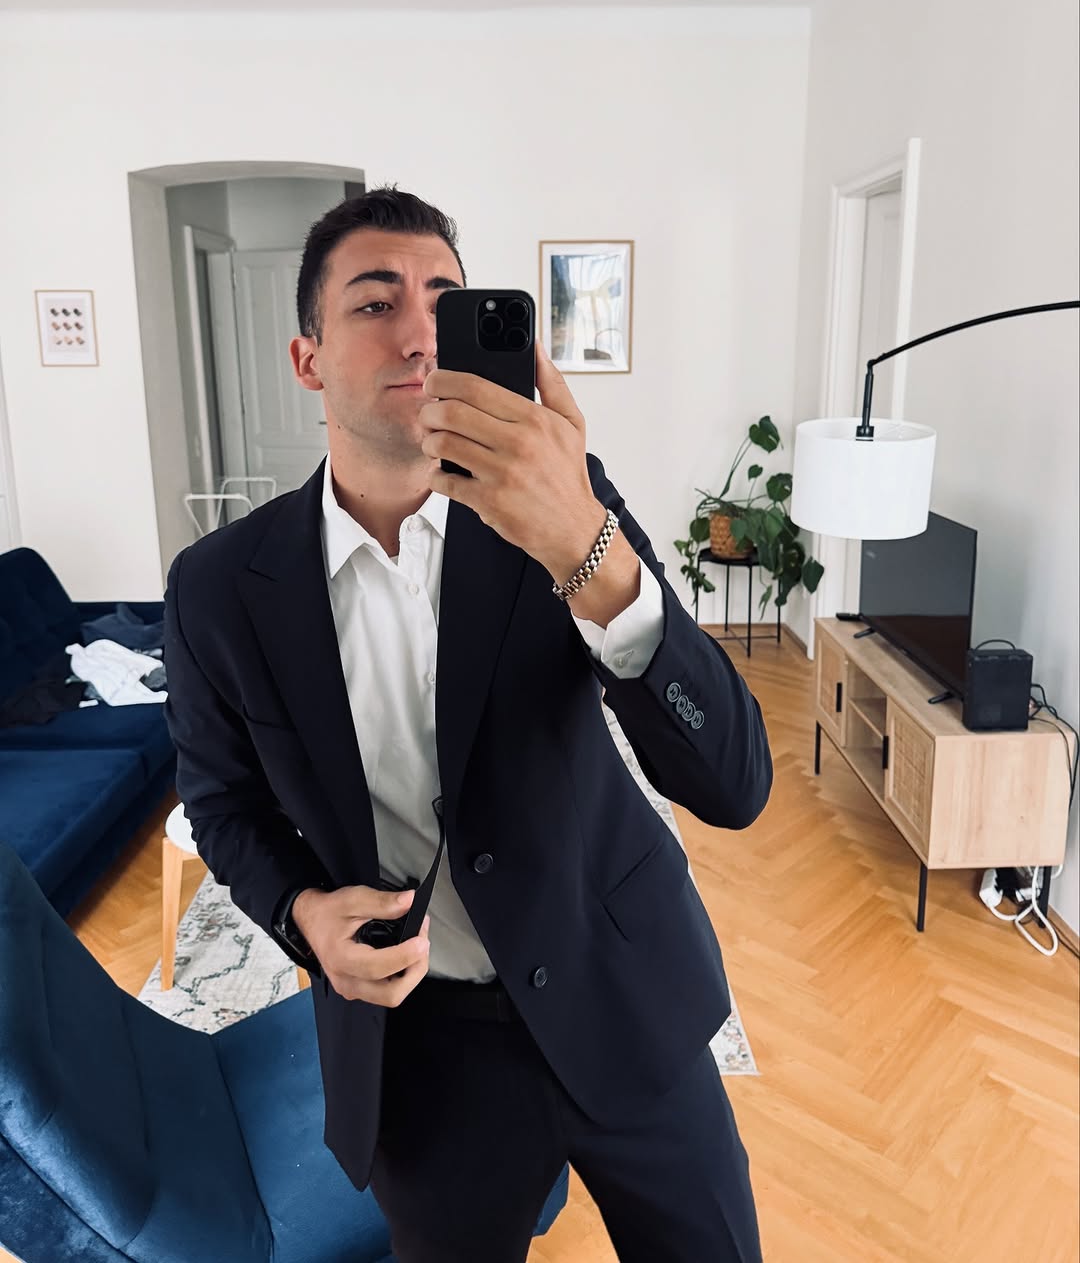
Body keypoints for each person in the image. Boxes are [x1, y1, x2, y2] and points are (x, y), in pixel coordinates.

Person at [163, 187, 772, 1263]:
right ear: (308, 359)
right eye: (375, 303)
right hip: (422, 1058)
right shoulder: (219, 589)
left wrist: (587, 549)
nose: (421, 332)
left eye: (445, 299)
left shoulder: (562, 504)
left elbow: (734, 779)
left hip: (623, 988)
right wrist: (302, 914)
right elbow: (223, 804)